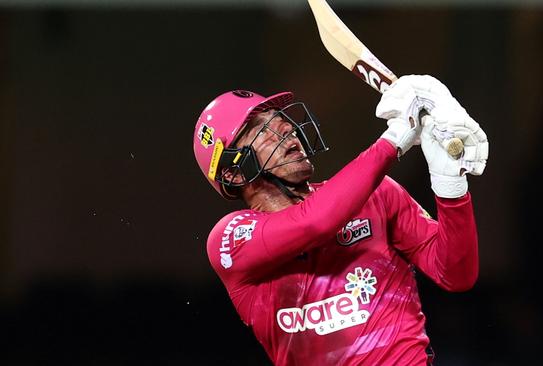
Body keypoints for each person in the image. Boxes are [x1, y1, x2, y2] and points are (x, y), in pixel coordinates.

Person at [192, 75, 489, 366]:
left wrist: (449, 187)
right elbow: (314, 223)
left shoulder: (378, 193)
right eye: (259, 129)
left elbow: (456, 274)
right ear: (233, 172)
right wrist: (393, 139)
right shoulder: (230, 239)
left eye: (279, 119)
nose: (285, 128)